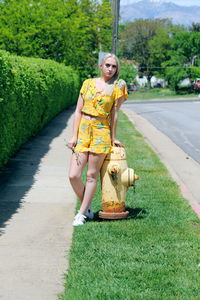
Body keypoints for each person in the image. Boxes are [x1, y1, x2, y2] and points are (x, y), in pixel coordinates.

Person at [68, 53, 128, 226]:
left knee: (91, 175)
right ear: (101, 66)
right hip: (84, 130)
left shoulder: (118, 87)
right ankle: (87, 207)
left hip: (101, 131)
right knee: (73, 175)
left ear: (117, 69)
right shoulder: (87, 84)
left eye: (114, 66)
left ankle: (81, 214)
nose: (110, 69)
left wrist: (113, 137)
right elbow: (78, 111)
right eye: (107, 65)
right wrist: (74, 136)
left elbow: (114, 114)